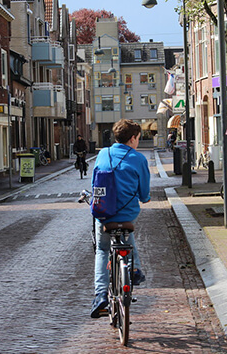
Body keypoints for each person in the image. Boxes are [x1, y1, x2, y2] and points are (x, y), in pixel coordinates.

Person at [90, 119, 151, 318]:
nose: (138, 143)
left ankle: (100, 296)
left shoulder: (102, 154)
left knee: (102, 249)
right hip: (128, 214)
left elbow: (94, 184)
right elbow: (144, 194)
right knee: (126, 231)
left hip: (104, 214)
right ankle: (134, 268)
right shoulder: (139, 159)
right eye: (138, 139)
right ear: (132, 138)